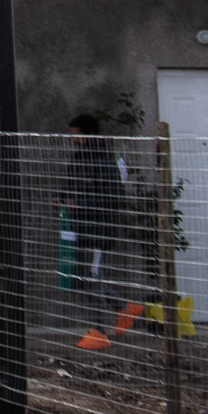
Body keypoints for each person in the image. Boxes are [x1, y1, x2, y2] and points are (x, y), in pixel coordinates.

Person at [56, 112, 140, 352]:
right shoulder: (79, 159)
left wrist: (79, 203)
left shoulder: (105, 162)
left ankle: (100, 331)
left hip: (99, 229)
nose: (75, 141)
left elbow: (112, 197)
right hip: (79, 229)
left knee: (91, 278)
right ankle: (126, 308)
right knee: (85, 278)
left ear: (90, 135)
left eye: (78, 136)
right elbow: (67, 186)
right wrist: (60, 199)